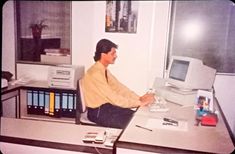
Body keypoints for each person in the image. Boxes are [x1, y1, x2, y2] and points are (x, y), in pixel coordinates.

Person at [81, 38, 155, 129]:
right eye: (113, 53)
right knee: (135, 126)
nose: (115, 56)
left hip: (106, 108)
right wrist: (139, 103)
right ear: (103, 55)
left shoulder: (102, 70)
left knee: (138, 118)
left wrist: (139, 98)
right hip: (98, 112)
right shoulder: (96, 73)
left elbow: (119, 88)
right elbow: (114, 98)